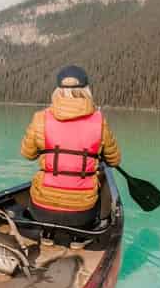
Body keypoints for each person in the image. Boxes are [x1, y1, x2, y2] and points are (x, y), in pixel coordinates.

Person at [19, 65, 122, 231]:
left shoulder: (40, 118)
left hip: (42, 209)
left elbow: (27, 154)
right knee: (101, 180)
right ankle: (88, 231)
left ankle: (45, 233)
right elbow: (114, 160)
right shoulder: (99, 121)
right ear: (86, 90)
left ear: (58, 90)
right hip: (82, 213)